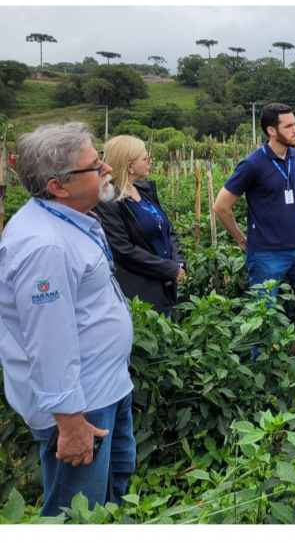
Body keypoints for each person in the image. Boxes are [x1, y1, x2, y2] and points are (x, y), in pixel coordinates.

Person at [0, 122, 135, 516]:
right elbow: (50, 343)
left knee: (109, 501)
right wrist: (71, 425)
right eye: (95, 166)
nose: (108, 170)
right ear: (58, 186)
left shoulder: (68, 219)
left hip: (104, 389)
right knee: (76, 514)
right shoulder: (46, 246)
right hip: (80, 407)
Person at [212, 103, 295, 302]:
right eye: (288, 126)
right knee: (265, 317)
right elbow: (220, 206)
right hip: (266, 255)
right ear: (272, 131)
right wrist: (241, 239)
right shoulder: (252, 165)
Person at [94, 135, 185, 317]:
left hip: (163, 288)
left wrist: (177, 264)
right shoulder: (108, 201)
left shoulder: (142, 191)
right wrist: (168, 270)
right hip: (141, 298)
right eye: (145, 158)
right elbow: (123, 251)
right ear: (130, 166)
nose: (150, 161)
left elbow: (167, 230)